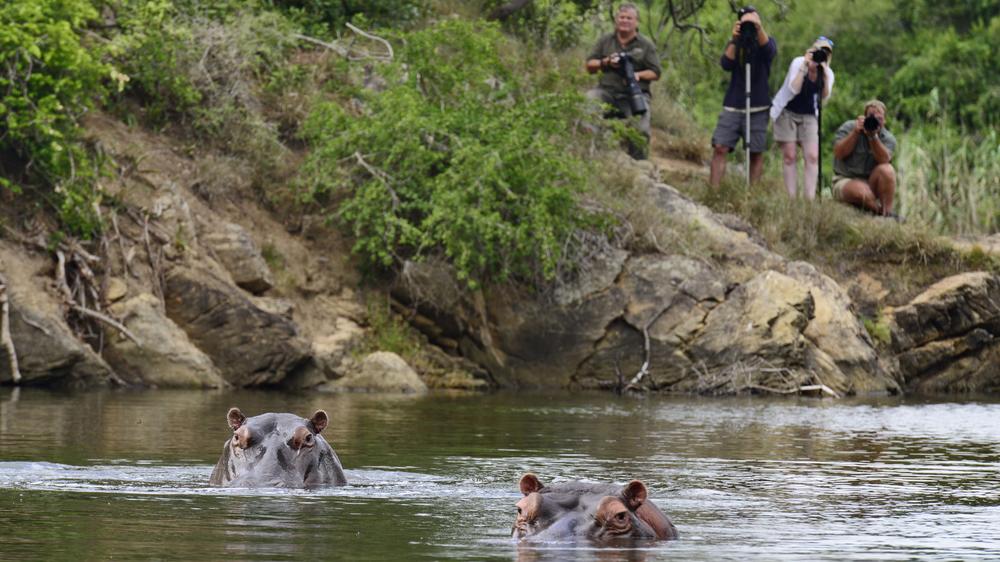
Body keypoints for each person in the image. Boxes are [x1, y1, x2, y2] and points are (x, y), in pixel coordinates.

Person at [709, 6, 777, 187]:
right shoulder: (735, 43)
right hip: (733, 104)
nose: (748, 25)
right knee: (720, 146)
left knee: (755, 152)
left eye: (752, 21)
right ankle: (713, 193)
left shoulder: (766, 42)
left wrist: (757, 28)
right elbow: (726, 64)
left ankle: (752, 195)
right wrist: (734, 39)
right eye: (745, 21)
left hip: (758, 107)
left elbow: (769, 51)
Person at [585, 3, 661, 159]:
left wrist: (637, 75)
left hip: (634, 95)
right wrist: (605, 62)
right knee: (588, 104)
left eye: (629, 18)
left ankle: (639, 164)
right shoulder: (606, 40)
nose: (625, 21)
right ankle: (588, 153)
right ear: (616, 20)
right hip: (606, 92)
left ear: (636, 22)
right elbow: (589, 65)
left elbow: (656, 72)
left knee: (641, 129)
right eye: (622, 17)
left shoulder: (645, 45)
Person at [770, 37, 835, 199]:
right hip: (787, 111)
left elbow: (824, 97)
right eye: (819, 50)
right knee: (790, 156)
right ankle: (792, 199)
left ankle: (809, 200)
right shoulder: (798, 62)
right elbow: (794, 88)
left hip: (809, 115)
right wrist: (805, 66)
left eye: (825, 52)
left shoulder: (828, 72)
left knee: (812, 156)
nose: (821, 54)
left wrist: (824, 75)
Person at [832, 100, 898, 216]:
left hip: (870, 181)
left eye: (879, 118)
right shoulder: (850, 127)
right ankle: (881, 213)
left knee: (888, 170)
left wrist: (873, 137)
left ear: (884, 121)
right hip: (845, 180)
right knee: (862, 193)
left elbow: (884, 160)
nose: (875, 121)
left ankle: (887, 211)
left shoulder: (888, 138)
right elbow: (838, 153)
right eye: (871, 117)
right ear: (864, 117)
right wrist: (855, 133)